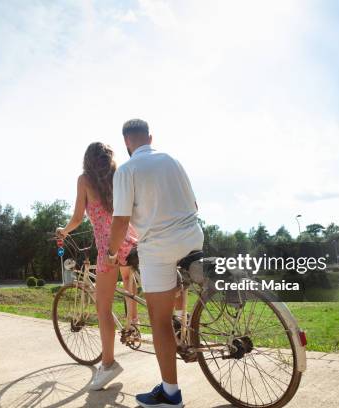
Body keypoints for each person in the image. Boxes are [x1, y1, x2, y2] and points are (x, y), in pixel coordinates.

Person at [106, 119, 204, 408]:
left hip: (159, 248)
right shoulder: (173, 160)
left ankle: (170, 394)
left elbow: (121, 220)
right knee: (175, 293)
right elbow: (195, 206)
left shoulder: (126, 170)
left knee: (158, 321)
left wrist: (111, 254)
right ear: (150, 137)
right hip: (193, 237)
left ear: (126, 142)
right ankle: (183, 327)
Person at [56, 142, 138, 390]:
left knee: (103, 308)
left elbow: (78, 217)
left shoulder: (84, 180)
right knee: (129, 280)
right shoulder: (118, 177)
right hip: (131, 239)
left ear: (88, 160)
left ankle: (109, 364)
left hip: (108, 247)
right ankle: (132, 323)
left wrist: (63, 231)